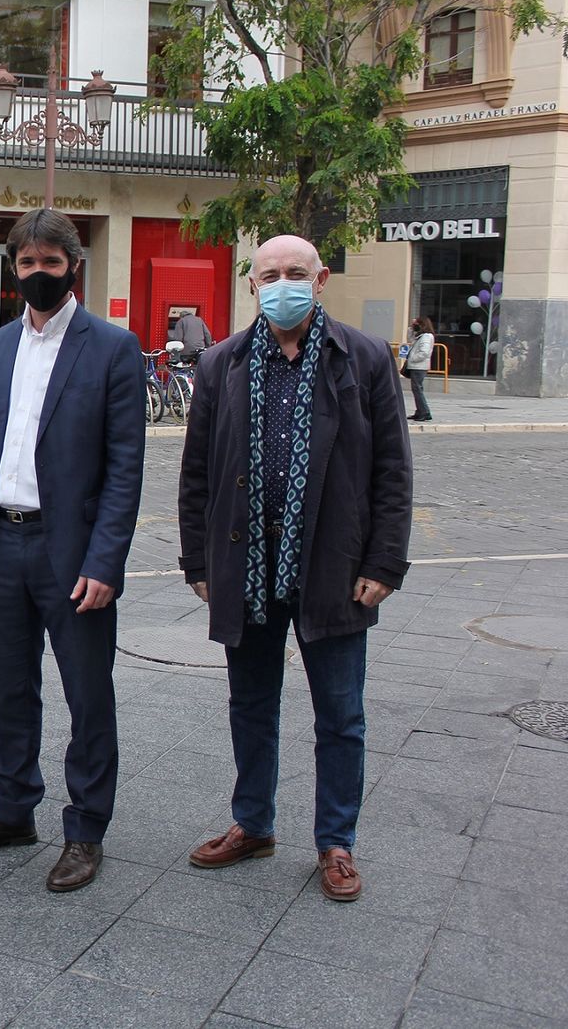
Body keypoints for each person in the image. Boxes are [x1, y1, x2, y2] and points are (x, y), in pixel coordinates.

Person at [177, 234, 412, 903]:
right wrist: (199, 559)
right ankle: (253, 823)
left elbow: (392, 471)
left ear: (322, 277)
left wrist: (384, 560)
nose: (283, 283)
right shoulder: (223, 363)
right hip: (246, 565)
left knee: (340, 714)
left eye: (296, 273)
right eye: (270, 273)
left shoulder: (362, 358)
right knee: (250, 705)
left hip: (334, 566)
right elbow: (197, 476)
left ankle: (336, 842)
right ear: (252, 284)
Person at [0, 208, 146, 892]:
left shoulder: (112, 348)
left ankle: (85, 829)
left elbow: (125, 468)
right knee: (10, 689)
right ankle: (13, 807)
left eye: (48, 264)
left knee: (88, 696)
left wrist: (105, 561)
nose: (36, 275)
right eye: (25, 264)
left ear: (72, 266)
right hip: (0, 542)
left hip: (73, 554)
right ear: (12, 267)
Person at [405, 316, 434, 422]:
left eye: (416, 323)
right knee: (416, 389)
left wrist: (412, 359)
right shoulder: (421, 336)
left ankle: (425, 412)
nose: (415, 325)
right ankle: (419, 411)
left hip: (419, 367)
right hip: (417, 366)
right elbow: (410, 339)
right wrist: (411, 328)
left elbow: (424, 352)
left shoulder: (426, 337)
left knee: (417, 390)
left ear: (422, 324)